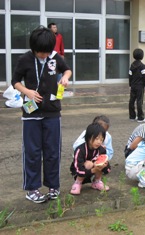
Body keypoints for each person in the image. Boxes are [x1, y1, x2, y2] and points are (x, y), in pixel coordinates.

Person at [11, 26, 72, 203]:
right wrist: (27, 92)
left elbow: (67, 69)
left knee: (53, 151)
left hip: (52, 111)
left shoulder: (54, 57)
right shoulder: (25, 59)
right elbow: (15, 81)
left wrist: (66, 77)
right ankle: (32, 189)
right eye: (40, 52)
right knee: (32, 152)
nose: (44, 55)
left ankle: (53, 186)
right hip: (31, 113)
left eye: (47, 52)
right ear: (33, 48)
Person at [70, 123, 111, 195]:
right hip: (79, 172)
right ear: (88, 137)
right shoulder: (80, 150)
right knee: (88, 164)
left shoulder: (101, 149)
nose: (99, 142)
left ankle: (97, 181)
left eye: (101, 140)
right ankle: (78, 183)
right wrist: (93, 169)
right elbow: (78, 169)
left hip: (94, 170)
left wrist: (105, 166)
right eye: (96, 138)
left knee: (100, 164)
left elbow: (108, 168)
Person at [129, 48, 145, 123]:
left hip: (133, 85)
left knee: (131, 100)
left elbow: (130, 75)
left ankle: (132, 116)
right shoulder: (143, 66)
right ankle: (140, 117)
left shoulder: (132, 65)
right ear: (142, 56)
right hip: (140, 86)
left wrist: (130, 85)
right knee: (139, 101)